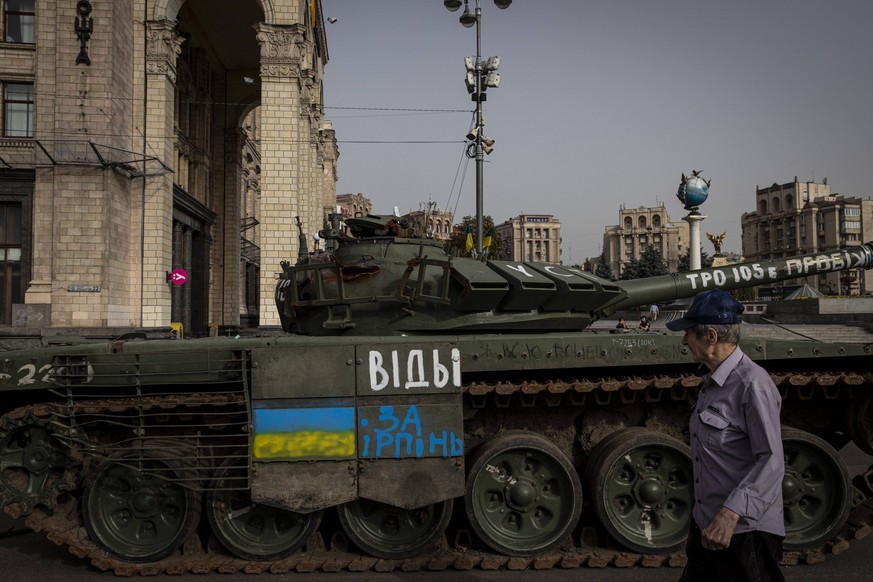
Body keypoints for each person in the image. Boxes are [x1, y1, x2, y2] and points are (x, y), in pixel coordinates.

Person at [666, 289, 785, 582]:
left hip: (744, 531)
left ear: (711, 336)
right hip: (708, 526)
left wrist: (730, 512)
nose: (684, 340)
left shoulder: (751, 385)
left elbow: (771, 460)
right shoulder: (714, 382)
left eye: (689, 333)